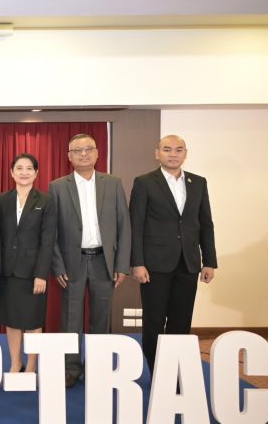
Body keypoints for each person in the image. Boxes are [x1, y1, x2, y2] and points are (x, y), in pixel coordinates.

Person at [130, 134, 217, 373]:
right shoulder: (145, 182)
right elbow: (136, 224)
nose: (173, 154)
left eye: (179, 150)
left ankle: (174, 371)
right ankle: (156, 371)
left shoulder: (198, 182)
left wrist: (209, 261)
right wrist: (137, 262)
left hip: (188, 263)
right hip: (154, 265)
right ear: (157, 153)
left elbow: (205, 223)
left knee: (181, 321)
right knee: (154, 321)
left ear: (185, 154)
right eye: (167, 149)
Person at [49, 133, 131, 388]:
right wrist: (57, 265)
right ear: (69, 156)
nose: (83, 154)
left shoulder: (113, 183)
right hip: (72, 263)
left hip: (103, 261)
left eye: (88, 149)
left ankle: (98, 366)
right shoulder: (57, 186)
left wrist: (122, 264)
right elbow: (51, 231)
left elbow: (124, 225)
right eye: (77, 150)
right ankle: (71, 367)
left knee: (102, 317)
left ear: (97, 153)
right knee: (71, 318)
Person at [0, 154, 56, 374]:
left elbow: (48, 241)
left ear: (36, 173)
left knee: (33, 321)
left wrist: (41, 274)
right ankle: (15, 362)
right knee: (11, 320)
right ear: (11, 172)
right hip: (7, 271)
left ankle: (31, 364)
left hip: (33, 273)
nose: (24, 172)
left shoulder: (46, 201)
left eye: (29, 168)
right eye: (19, 168)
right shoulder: (1, 200)